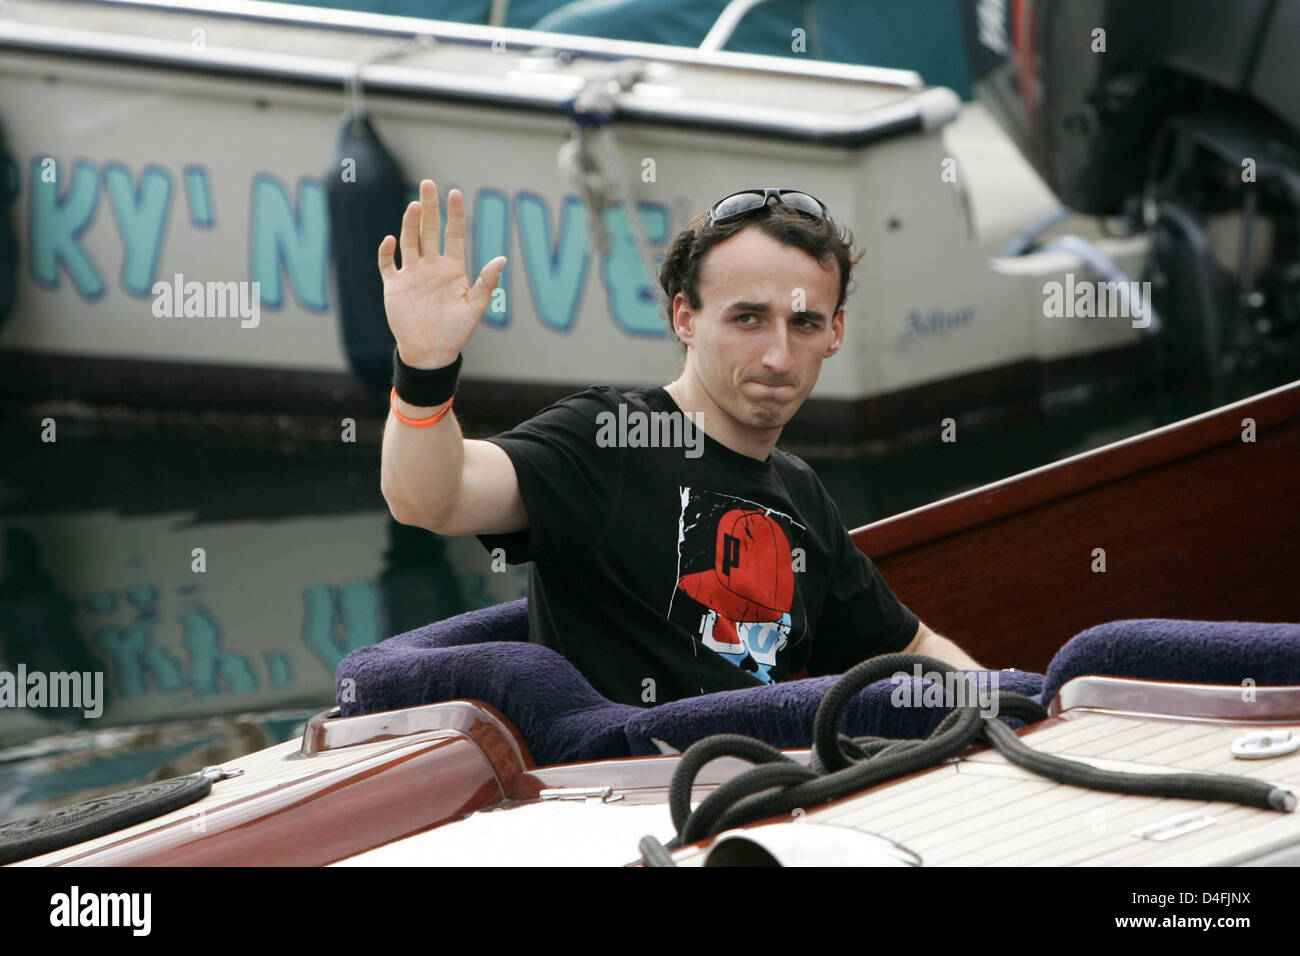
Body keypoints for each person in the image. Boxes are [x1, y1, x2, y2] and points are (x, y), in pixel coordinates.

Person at [378, 180, 984, 706]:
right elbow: (433, 499)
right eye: (747, 318)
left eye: (803, 323)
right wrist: (425, 370)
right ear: (684, 318)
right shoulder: (606, 438)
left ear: (835, 333)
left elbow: (909, 646)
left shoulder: (800, 492)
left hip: (765, 795)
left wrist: (1009, 711)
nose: (778, 354)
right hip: (631, 802)